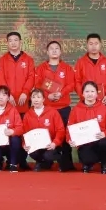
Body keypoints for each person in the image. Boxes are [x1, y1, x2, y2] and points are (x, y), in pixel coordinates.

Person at [34, 40, 76, 171]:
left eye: (57, 48)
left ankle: (67, 163)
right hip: (47, 108)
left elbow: (71, 84)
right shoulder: (41, 68)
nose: (54, 50)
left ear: (60, 51)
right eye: (51, 48)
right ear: (47, 52)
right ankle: (45, 162)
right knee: (46, 134)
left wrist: (61, 93)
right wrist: (47, 96)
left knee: (65, 135)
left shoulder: (67, 68)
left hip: (63, 107)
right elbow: (37, 84)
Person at [67, 82, 106, 174]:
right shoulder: (76, 110)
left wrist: (105, 133)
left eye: (92, 91)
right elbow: (69, 128)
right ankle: (88, 164)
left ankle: (104, 163)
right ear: (82, 94)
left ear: (97, 93)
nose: (89, 94)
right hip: (85, 143)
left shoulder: (104, 108)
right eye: (87, 91)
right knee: (87, 158)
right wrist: (70, 140)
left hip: (100, 140)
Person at [22, 88, 65, 172]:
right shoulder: (27, 115)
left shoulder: (53, 112)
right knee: (32, 152)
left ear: (43, 99)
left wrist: (55, 143)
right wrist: (24, 144)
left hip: (51, 145)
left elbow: (60, 130)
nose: (36, 100)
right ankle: (41, 162)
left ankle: (60, 159)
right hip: (36, 145)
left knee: (48, 155)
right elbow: (25, 132)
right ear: (31, 99)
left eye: (38, 97)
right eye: (33, 97)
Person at [0, 32, 35, 115]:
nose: (13, 43)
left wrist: (25, 92)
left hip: (24, 99)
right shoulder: (2, 60)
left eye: (16, 40)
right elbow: (0, 78)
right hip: (7, 99)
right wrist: (7, 94)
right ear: (7, 43)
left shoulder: (29, 59)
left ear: (20, 42)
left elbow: (31, 77)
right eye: (10, 41)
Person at [74, 34, 106, 107]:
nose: (93, 46)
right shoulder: (80, 62)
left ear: (100, 44)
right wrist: (83, 96)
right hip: (86, 102)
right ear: (87, 45)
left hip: (105, 101)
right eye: (91, 44)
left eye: (96, 43)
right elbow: (76, 81)